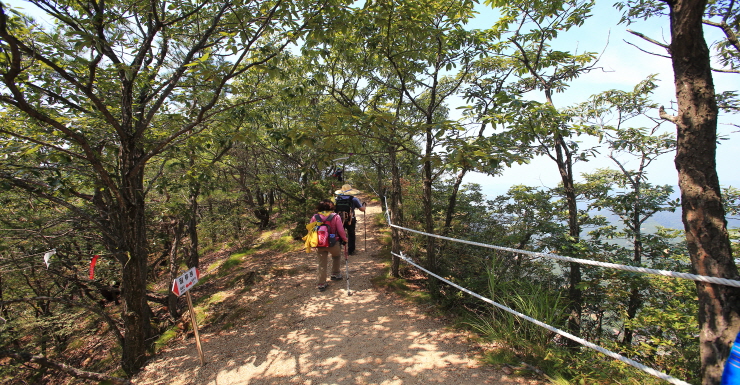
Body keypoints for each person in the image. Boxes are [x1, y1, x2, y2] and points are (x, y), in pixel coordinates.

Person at [310, 200, 348, 292]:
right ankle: (335, 274)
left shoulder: (315, 217)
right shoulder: (335, 216)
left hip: (320, 243)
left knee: (322, 263)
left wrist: (312, 242)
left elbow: (310, 230)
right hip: (333, 242)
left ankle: (321, 283)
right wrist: (345, 239)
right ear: (332, 207)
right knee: (336, 257)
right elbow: (340, 230)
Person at [334, 184, 366, 255]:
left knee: (339, 233)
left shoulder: (337, 199)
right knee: (351, 234)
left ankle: (337, 249)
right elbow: (362, 209)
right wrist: (364, 205)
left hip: (339, 219)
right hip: (350, 219)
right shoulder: (354, 199)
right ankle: (351, 251)